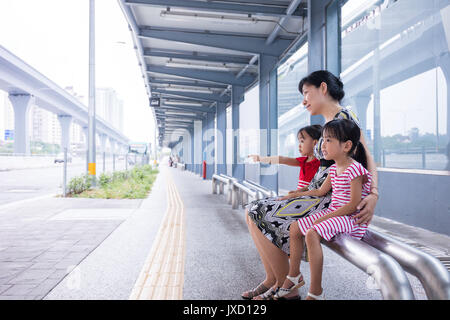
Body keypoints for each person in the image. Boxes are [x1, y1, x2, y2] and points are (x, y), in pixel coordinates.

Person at [242, 70, 379, 300]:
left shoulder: (344, 118)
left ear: (323, 88)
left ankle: (287, 285)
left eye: (306, 93)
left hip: (329, 200)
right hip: (316, 194)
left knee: (256, 211)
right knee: (252, 212)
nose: (304, 100)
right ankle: (274, 279)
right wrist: (303, 191)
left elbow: (368, 157)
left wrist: (374, 193)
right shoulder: (331, 122)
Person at [275, 119, 372, 300]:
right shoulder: (334, 168)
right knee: (295, 228)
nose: (323, 144)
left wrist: (324, 218)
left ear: (346, 145)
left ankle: (316, 291)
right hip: (336, 214)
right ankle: (294, 275)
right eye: (323, 139)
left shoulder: (355, 170)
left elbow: (352, 205)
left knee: (312, 233)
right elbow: (320, 191)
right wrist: (296, 194)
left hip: (351, 218)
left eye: (328, 140)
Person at [248, 124, 322, 191]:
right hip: (301, 199)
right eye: (299, 142)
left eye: (302, 141)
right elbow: (281, 159)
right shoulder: (303, 161)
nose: (299, 145)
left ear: (314, 143)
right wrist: (260, 159)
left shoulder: (321, 163)